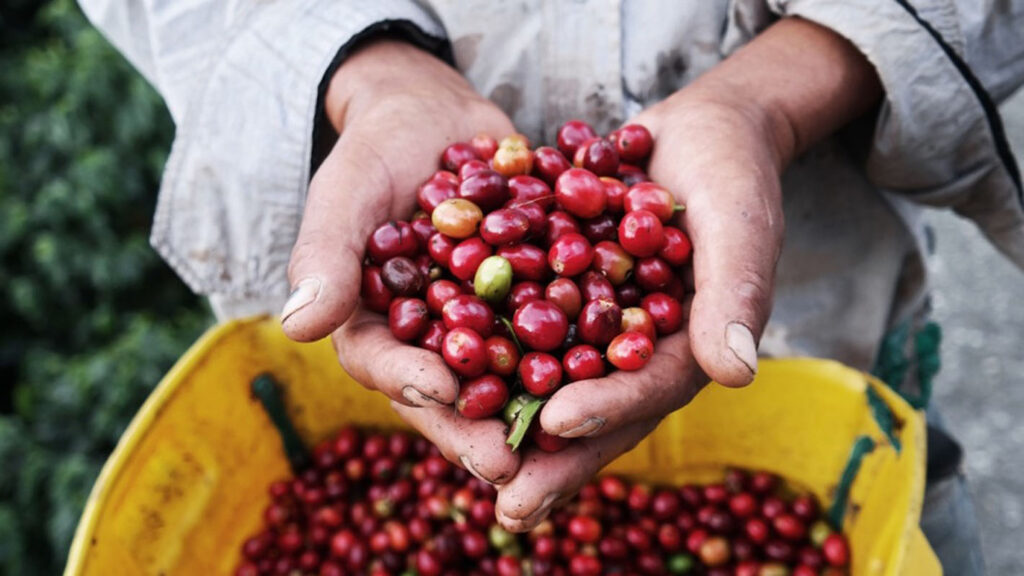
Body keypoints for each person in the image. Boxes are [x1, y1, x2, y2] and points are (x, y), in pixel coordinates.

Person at [79, 2, 1024, 573]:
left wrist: (772, 96)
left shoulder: (568, 267)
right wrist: (364, 66)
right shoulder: (515, 272)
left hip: (820, 295)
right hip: (374, 191)